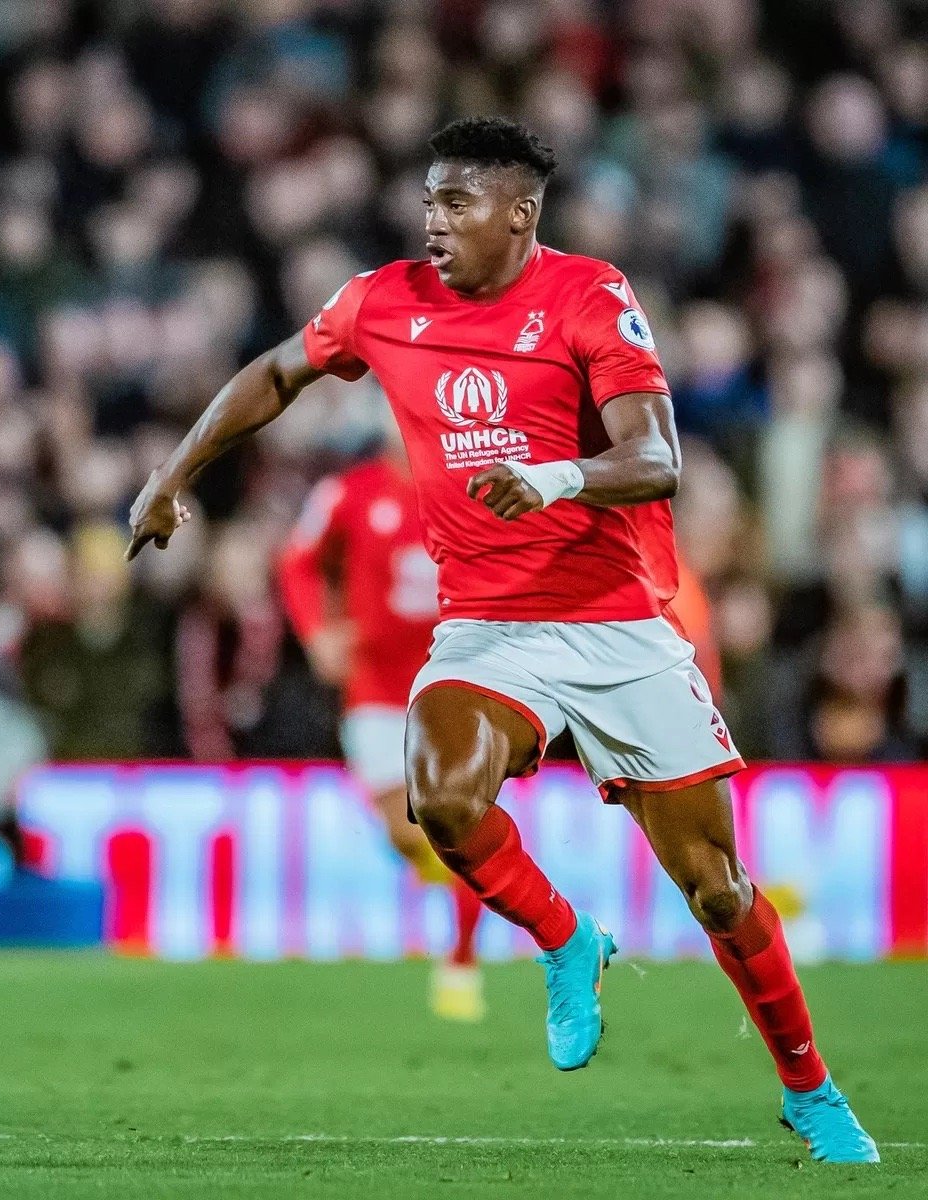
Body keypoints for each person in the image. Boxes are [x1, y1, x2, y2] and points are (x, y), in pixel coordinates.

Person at [128, 117, 877, 1164]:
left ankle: (809, 1087)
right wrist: (172, 475)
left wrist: (556, 476)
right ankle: (566, 940)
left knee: (716, 888)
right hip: (487, 626)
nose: (433, 221)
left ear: (519, 213)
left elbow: (656, 457)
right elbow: (277, 372)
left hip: (616, 623)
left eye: (456, 202)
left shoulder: (590, 294)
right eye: (429, 201)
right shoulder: (383, 301)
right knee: (439, 795)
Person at [277, 428, 486, 1020]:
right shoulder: (348, 492)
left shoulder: (471, 490)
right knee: (407, 834)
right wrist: (316, 632)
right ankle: (464, 887)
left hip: (454, 684)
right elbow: (297, 561)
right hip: (375, 689)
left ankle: (462, 960)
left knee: (457, 829)